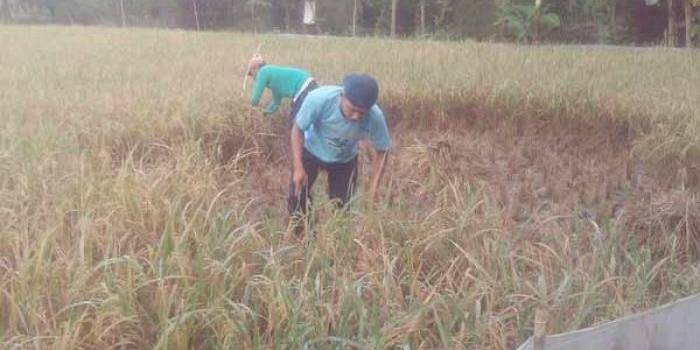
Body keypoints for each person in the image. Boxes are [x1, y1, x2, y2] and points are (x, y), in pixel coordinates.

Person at [288, 74, 391, 232]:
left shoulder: (375, 116)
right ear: (342, 96)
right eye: (353, 110)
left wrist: (374, 188)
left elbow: (383, 150)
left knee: (342, 207)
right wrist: (298, 167)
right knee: (297, 197)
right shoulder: (319, 99)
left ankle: (337, 243)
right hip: (312, 151)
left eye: (362, 113)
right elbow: (298, 129)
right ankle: (303, 238)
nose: (356, 117)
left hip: (345, 160)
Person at [247, 55, 318, 126]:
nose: (252, 77)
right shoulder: (274, 80)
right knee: (307, 121)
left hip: (303, 87)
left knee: (294, 124)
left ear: (255, 68)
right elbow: (276, 103)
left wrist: (249, 110)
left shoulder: (263, 71)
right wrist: (264, 113)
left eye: (250, 73)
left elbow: (255, 99)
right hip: (310, 84)